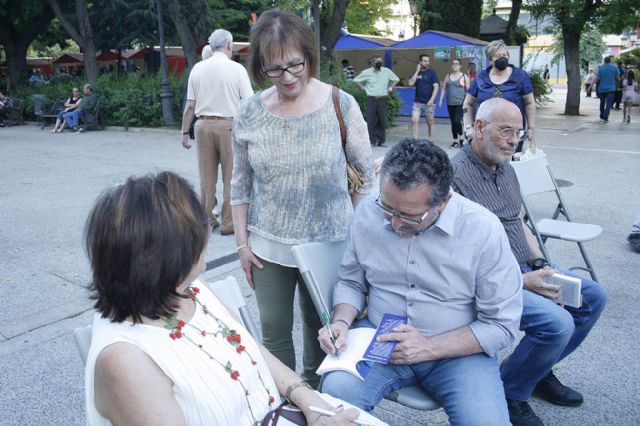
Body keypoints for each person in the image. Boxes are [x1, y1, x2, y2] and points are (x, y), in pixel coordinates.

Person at [83, 171, 363, 426]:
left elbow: (253, 349)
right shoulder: (125, 359)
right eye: (199, 227)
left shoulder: (190, 290)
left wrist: (309, 400)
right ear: (168, 258)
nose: (207, 233)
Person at [319, 138, 523, 425]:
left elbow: (502, 324)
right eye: (388, 208)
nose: (395, 223)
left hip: (459, 350)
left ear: (444, 201)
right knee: (333, 399)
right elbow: (351, 282)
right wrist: (340, 322)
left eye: (409, 216)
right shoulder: (367, 213)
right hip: (380, 336)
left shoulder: (483, 229)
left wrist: (429, 346)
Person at [231, 9, 374, 389]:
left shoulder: (340, 104)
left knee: (323, 332)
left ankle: (319, 400)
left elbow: (365, 176)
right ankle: (286, 401)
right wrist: (242, 244)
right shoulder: (249, 112)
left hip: (329, 244)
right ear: (261, 67)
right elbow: (240, 183)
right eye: (275, 69)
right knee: (274, 334)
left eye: (296, 64)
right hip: (267, 247)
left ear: (309, 55)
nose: (289, 77)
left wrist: (353, 237)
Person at [451, 98, 607, 426]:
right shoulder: (454, 178)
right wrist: (520, 281)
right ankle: (510, 392)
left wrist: (539, 263)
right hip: (489, 283)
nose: (513, 140)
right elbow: (457, 256)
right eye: (506, 131)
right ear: (479, 128)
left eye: (518, 132)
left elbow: (518, 221)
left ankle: (534, 371)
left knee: (592, 297)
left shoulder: (506, 169)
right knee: (557, 323)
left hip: (524, 269)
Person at [180, 29, 253, 235]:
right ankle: (229, 223)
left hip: (202, 127)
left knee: (206, 178)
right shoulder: (237, 69)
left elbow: (189, 107)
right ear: (229, 46)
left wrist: (185, 133)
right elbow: (248, 105)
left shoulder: (197, 69)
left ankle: (207, 219)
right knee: (231, 178)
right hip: (229, 126)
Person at [463, 39, 536, 152]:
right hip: (485, 134)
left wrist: (531, 128)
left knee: (508, 166)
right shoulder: (481, 77)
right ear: (491, 59)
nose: (502, 58)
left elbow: (529, 103)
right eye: (498, 55)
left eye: (505, 55)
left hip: (512, 135)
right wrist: (468, 127)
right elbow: (467, 103)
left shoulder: (520, 76)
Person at [353, 55, 399, 147]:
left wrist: (390, 88)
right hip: (371, 99)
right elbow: (356, 80)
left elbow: (396, 79)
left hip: (383, 98)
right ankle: (372, 141)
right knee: (371, 121)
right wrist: (363, 87)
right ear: (373, 62)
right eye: (378, 62)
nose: (380, 63)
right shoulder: (366, 72)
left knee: (382, 120)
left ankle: (382, 141)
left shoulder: (386, 71)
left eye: (381, 61)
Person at [438, 58, 470, 148]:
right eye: (453, 64)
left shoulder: (464, 76)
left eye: (457, 64)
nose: (455, 65)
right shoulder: (448, 76)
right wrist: (441, 99)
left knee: (457, 121)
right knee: (453, 122)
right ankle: (455, 141)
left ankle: (462, 137)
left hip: (460, 102)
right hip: (450, 102)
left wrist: (468, 103)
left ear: (460, 66)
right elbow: (444, 88)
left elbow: (469, 90)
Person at [408, 54, 439, 140]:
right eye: (425, 61)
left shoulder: (432, 72)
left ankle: (430, 142)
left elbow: (436, 87)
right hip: (417, 102)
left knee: (430, 122)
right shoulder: (417, 73)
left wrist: (432, 99)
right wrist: (417, 71)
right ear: (420, 62)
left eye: (428, 61)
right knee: (414, 120)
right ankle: (415, 141)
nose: (427, 63)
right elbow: (410, 83)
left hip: (429, 102)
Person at [594, 56, 620, 123]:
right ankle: (606, 117)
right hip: (611, 89)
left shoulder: (601, 69)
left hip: (602, 89)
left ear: (604, 61)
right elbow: (617, 78)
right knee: (608, 103)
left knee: (602, 103)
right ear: (610, 61)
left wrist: (590, 86)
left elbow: (597, 78)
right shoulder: (614, 68)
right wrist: (617, 86)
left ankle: (602, 115)